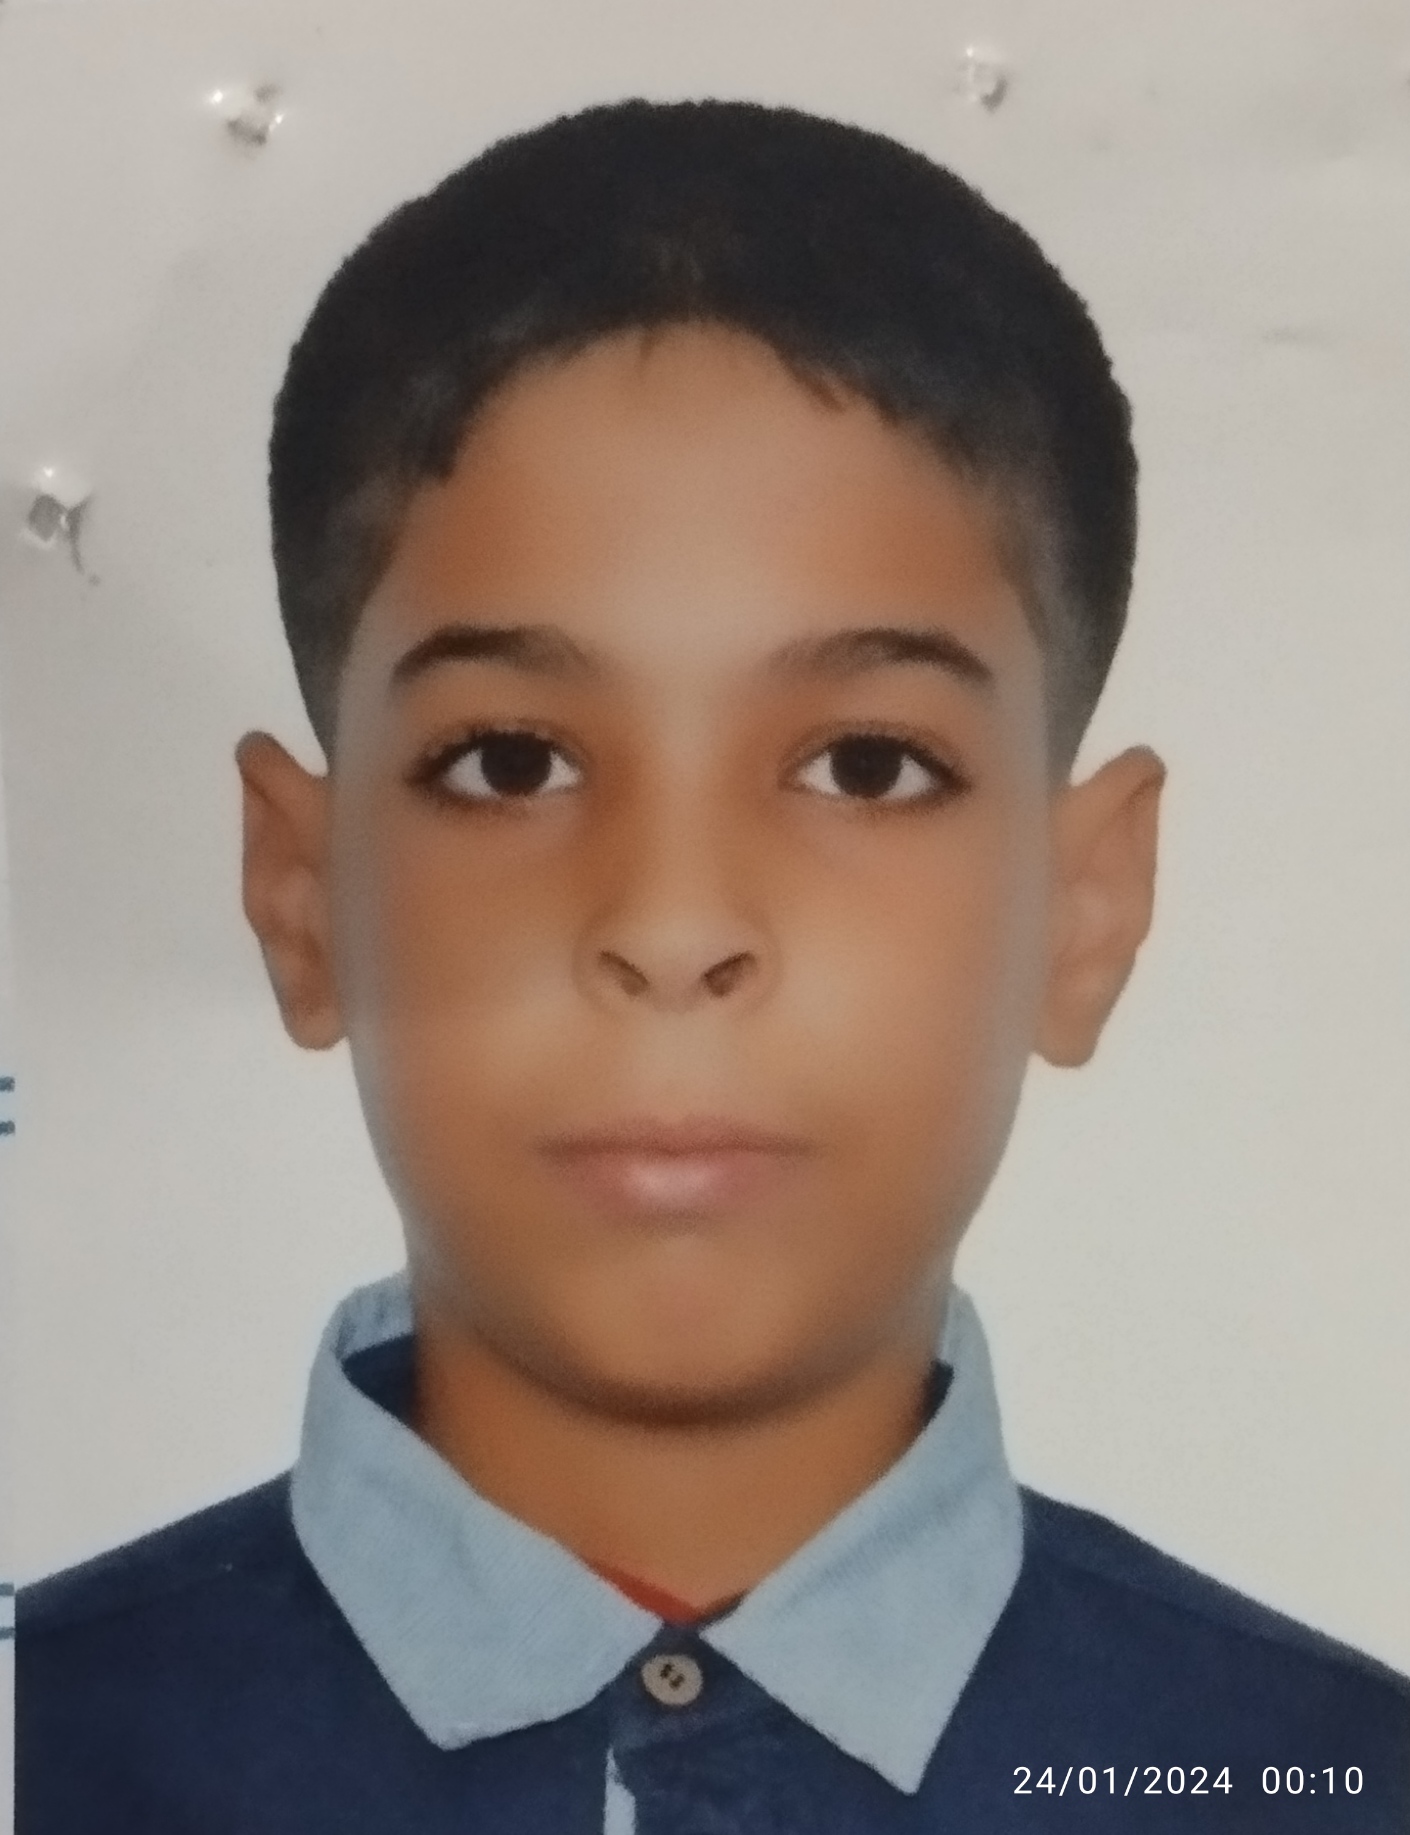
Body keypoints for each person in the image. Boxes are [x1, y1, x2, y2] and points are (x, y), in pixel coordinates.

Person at [16, 97, 1408, 1833]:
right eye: (511, 762)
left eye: (865, 767)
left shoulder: (1326, 1785)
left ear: (1085, 909)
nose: (672, 929)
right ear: (302, 895)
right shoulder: (46, 1746)